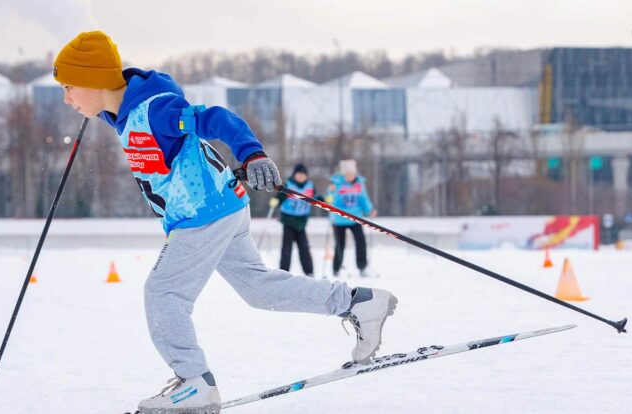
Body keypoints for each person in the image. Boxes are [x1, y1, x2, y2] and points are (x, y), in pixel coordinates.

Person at [53, 31, 398, 413]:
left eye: (69, 87)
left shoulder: (156, 110)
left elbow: (216, 119)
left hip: (203, 214)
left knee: (163, 292)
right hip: (223, 207)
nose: (66, 98)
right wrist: (96, 106)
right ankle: (358, 302)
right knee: (259, 289)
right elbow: (114, 106)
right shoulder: (121, 112)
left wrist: (252, 155)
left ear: (96, 79)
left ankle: (194, 382)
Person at [326, 160, 376, 278]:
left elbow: (363, 198)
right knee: (339, 245)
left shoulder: (359, 183)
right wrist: (331, 192)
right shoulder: (337, 183)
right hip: (339, 219)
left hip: (355, 218)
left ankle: (362, 267)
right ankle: (336, 269)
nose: (349, 177)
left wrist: (370, 209)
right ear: (344, 174)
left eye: (351, 174)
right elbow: (329, 199)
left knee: (361, 243)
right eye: (347, 174)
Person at [270, 163, 319, 276]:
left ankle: (309, 271)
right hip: (288, 221)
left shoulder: (310, 186)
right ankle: (283, 272)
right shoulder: (289, 185)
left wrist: (324, 200)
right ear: (294, 175)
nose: (301, 177)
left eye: (303, 175)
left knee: (304, 248)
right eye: (299, 174)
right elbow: (279, 197)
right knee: (287, 248)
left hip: (302, 222)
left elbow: (316, 198)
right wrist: (275, 201)